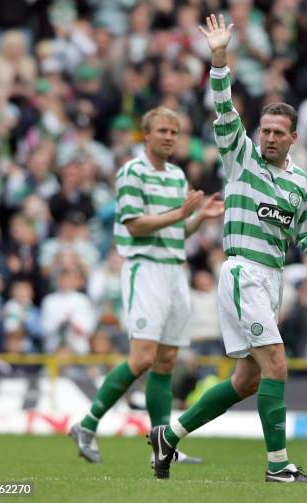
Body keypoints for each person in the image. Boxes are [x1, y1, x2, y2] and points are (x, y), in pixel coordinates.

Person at [148, 14, 307, 484]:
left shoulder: (301, 184)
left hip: (271, 279)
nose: (270, 137)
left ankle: (169, 435)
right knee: (276, 361)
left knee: (248, 379)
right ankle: (278, 465)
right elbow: (223, 109)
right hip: (242, 273)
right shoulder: (240, 157)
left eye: (279, 132)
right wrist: (220, 58)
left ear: (294, 138)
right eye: (266, 130)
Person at [69, 106, 224, 464]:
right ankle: (87, 424)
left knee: (166, 362)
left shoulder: (175, 175)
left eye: (175, 131)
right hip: (145, 269)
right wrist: (182, 214)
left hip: (174, 272)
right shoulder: (131, 173)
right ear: (147, 134)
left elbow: (176, 229)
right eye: (163, 131)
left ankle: (161, 448)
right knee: (141, 359)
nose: (170, 137)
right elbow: (135, 224)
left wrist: (199, 217)